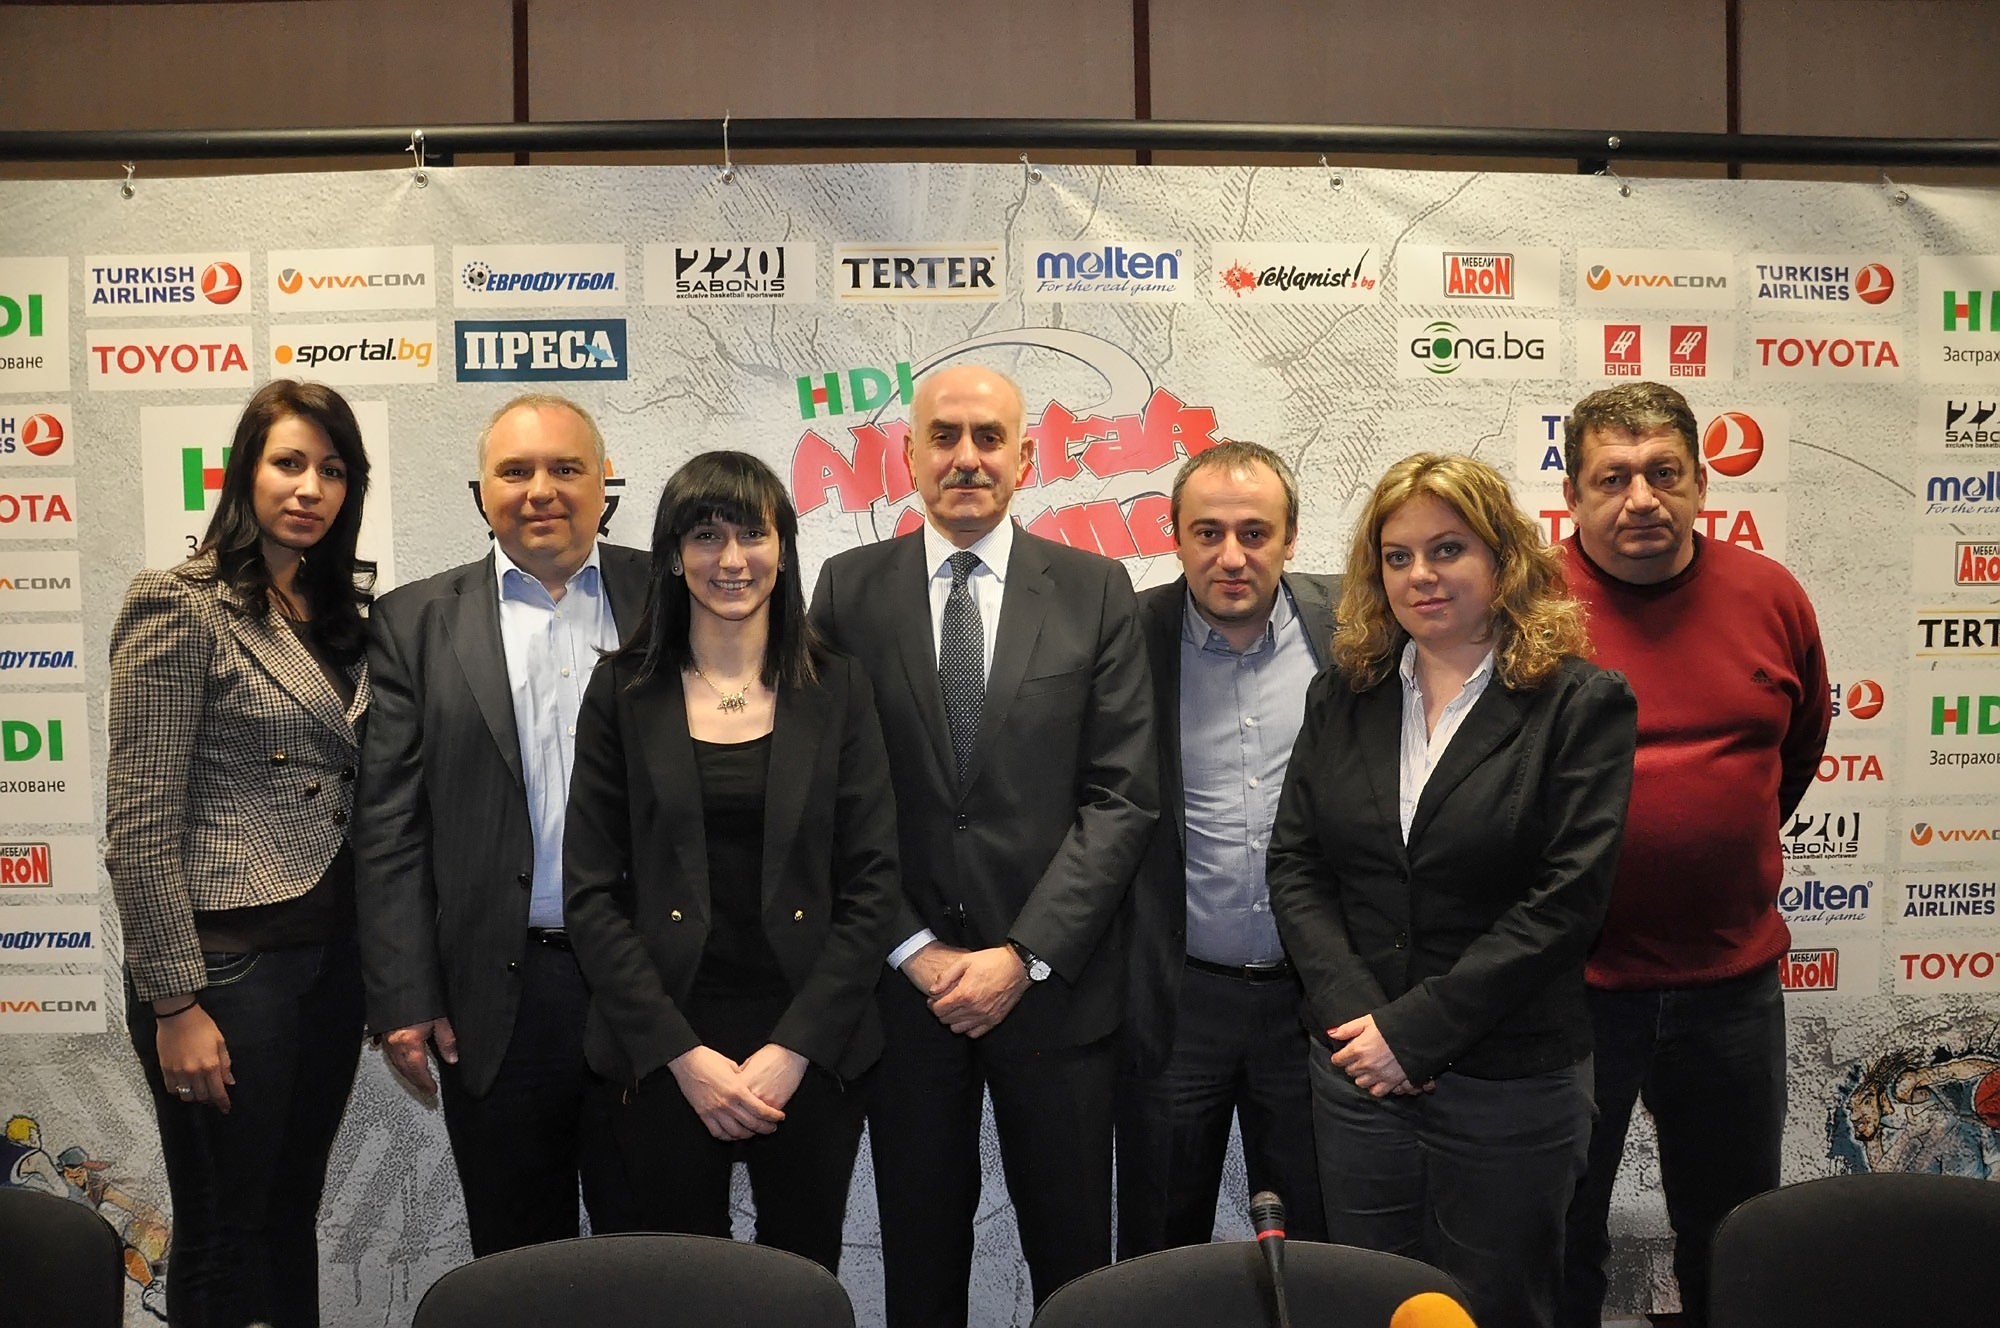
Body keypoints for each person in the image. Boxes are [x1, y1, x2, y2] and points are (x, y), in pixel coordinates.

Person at [808, 363, 1157, 1324]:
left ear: (1026, 457)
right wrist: (913, 949)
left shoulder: (1095, 590)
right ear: (908, 454)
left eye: (990, 438)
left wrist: (1024, 954)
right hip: (903, 995)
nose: (967, 457)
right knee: (920, 1260)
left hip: (1054, 992)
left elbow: (1123, 797)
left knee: (1074, 1266)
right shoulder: (847, 591)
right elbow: (822, 798)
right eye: (946, 436)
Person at [1267, 452, 1637, 1328]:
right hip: (1359, 1078)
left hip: (1509, 1085)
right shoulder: (1343, 695)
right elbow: (1297, 865)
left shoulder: (1578, 704)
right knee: (1370, 1308)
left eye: (1447, 549)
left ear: (1503, 559)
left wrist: (1415, 1034)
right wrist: (1362, 1022)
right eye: (1397, 557)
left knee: (1497, 1310)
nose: (1421, 575)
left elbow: (1566, 902)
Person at [562, 451, 899, 1271]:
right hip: (663, 1041)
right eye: (706, 536)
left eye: (754, 533)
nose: (733, 559)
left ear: (784, 548)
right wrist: (682, 1056)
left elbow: (872, 883)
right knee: (680, 1287)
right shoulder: (621, 691)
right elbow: (591, 895)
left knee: (800, 1281)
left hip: (811, 1041)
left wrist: (796, 1049)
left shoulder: (839, 687)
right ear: (674, 555)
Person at [1555, 382, 1831, 1328]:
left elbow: (1796, 752)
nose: (1642, 498)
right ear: (1573, 494)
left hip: (1729, 989)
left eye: (1664, 473)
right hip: (1568, 988)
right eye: (1613, 478)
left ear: (1701, 484)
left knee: (1731, 1235)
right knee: (1560, 1233)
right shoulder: (1528, 607)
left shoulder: (1770, 596)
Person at [106, 379, 375, 1328]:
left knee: (287, 1214)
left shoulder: (342, 613)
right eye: (288, 463)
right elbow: (139, 822)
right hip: (225, 967)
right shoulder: (178, 603)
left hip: (332, 959)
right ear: (244, 473)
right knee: (224, 1228)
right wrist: (174, 1002)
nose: (310, 488)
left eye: (332, 471)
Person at [353, 394, 647, 1253]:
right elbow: (390, 824)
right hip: (494, 999)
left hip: (649, 987)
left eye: (565, 468)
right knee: (517, 1265)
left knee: (657, 1257)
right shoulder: (414, 621)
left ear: (604, 485)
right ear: (481, 493)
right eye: (515, 471)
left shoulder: (671, 596)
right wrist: (406, 996)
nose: (540, 490)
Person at [1116, 440, 1335, 1256]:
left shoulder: (1352, 628)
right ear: (1174, 536)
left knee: (1317, 1242)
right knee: (1161, 1242)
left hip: (1315, 1002)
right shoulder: (1124, 635)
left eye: (1255, 532)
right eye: (1207, 533)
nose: (1231, 557)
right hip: (1179, 1002)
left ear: (1291, 537)